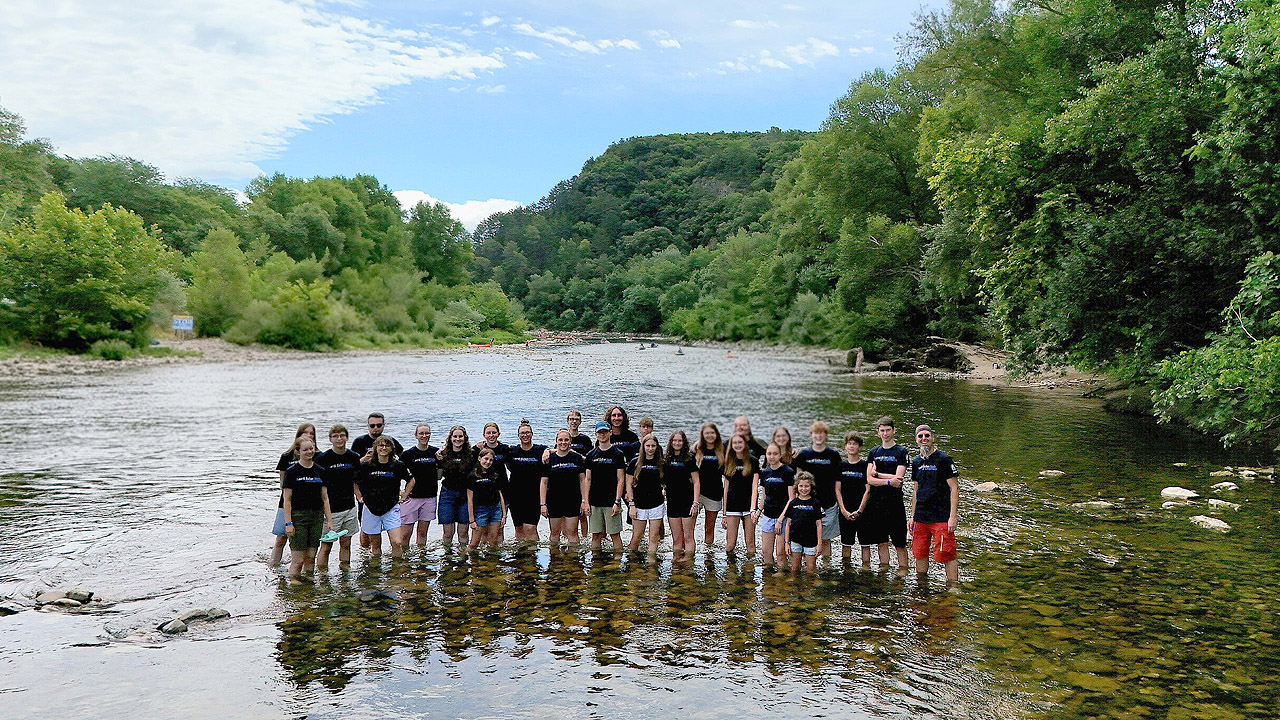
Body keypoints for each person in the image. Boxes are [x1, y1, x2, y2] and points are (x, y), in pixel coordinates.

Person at [907, 424, 960, 582]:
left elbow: (954, 488)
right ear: (916, 440)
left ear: (932, 438)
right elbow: (915, 490)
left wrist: (952, 517)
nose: (924, 439)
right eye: (920, 436)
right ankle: (921, 585)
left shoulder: (943, 459)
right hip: (921, 517)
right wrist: (912, 516)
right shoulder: (916, 462)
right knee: (920, 553)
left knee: (947, 553)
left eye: (927, 436)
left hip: (941, 517)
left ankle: (952, 587)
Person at [281, 437, 333, 578]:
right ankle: (294, 586)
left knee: (311, 556)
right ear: (298, 452)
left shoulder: (320, 470)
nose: (309, 452)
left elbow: (325, 497)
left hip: (316, 517)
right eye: (305, 449)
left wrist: (329, 520)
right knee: (298, 560)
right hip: (298, 517)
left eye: (311, 448)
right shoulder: (292, 472)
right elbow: (287, 499)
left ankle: (309, 583)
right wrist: (288, 523)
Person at [351, 413, 403, 549]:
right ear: (368, 426)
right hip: (366, 493)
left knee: (392, 530)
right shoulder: (359, 442)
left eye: (379, 425)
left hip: (388, 492)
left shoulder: (389, 441)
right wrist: (365, 459)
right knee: (366, 532)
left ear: (383, 426)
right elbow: (352, 467)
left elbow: (403, 459)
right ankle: (364, 554)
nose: (376, 428)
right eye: (372, 426)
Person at [866, 416, 910, 574]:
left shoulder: (901, 452)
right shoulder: (874, 452)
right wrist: (889, 480)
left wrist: (877, 473)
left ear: (894, 431)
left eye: (888, 430)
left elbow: (900, 478)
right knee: (881, 541)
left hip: (895, 503)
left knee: (899, 542)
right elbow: (869, 479)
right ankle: (884, 569)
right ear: (878, 432)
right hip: (877, 502)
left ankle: (903, 571)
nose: (885, 433)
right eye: (882, 430)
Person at [355, 435, 411, 558]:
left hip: (391, 507)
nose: (384, 448)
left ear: (391, 448)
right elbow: (353, 480)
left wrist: (405, 495)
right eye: (381, 445)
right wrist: (359, 496)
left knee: (397, 542)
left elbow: (411, 480)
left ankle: (396, 571)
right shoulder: (366, 466)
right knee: (375, 545)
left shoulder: (397, 465)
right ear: (376, 448)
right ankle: (376, 571)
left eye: (387, 445)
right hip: (370, 508)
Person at [793, 421, 843, 559]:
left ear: (825, 435)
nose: (818, 436)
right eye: (816, 433)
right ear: (811, 435)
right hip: (808, 502)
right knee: (806, 536)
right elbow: (797, 480)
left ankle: (826, 566)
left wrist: (840, 503)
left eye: (821, 433)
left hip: (829, 502)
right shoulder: (804, 455)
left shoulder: (833, 455)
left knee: (826, 539)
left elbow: (838, 481)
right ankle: (807, 565)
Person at [271, 423, 316, 566]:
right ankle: (274, 565)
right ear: (298, 435)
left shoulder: (317, 456)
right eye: (305, 433)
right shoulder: (286, 456)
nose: (309, 436)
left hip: (308, 506)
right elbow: (282, 483)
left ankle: (300, 568)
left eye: (311, 433)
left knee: (306, 542)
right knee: (280, 538)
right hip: (287, 502)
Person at [316, 425, 360, 568]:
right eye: (335, 436)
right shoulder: (323, 458)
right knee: (327, 545)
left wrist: (359, 497)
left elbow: (357, 480)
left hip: (350, 507)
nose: (339, 439)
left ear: (347, 437)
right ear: (330, 439)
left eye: (342, 435)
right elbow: (318, 486)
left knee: (346, 543)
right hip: (331, 510)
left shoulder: (353, 457)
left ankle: (345, 572)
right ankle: (322, 576)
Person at [542, 428, 587, 546]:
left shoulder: (576, 457)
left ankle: (573, 560)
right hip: (554, 500)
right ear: (556, 441)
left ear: (570, 441)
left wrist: (584, 500)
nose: (563, 442)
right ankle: (555, 560)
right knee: (554, 533)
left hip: (573, 499)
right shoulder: (549, 459)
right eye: (560, 440)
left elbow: (583, 480)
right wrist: (543, 504)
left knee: (572, 533)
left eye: (566, 440)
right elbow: (544, 482)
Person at [585, 421, 626, 550]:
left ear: (610, 432)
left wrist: (617, 501)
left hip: (611, 501)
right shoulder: (591, 455)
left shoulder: (618, 454)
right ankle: (595, 563)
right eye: (599, 432)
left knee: (615, 534)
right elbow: (587, 479)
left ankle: (617, 562)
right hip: (595, 501)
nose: (602, 435)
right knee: (596, 535)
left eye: (604, 432)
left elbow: (621, 479)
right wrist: (586, 502)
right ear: (596, 435)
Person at [399, 423, 440, 548]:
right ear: (416, 435)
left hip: (429, 497)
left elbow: (440, 474)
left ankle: (421, 558)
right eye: (421, 433)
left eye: (427, 433)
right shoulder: (407, 454)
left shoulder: (436, 452)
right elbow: (396, 473)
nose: (424, 436)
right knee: (405, 533)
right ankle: (403, 557)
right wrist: (399, 491)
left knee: (422, 533)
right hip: (411, 497)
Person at [506, 420, 548, 541]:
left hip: (534, 495)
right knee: (519, 528)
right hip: (515, 495)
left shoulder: (540, 450)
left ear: (532, 434)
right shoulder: (512, 451)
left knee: (530, 527)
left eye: (527, 432)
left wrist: (548, 450)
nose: (525, 435)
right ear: (518, 435)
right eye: (522, 433)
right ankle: (521, 556)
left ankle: (532, 554)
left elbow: (557, 451)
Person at [835, 431, 873, 566]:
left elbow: (868, 489)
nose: (852, 446)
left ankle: (865, 571)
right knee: (846, 544)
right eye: (849, 444)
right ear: (845, 447)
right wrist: (844, 510)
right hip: (845, 511)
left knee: (865, 545)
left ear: (860, 447)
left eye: (855, 444)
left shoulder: (865, 466)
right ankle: (847, 571)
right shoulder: (841, 466)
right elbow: (837, 490)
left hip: (863, 512)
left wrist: (860, 511)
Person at [721, 433, 760, 555]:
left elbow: (755, 488)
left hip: (749, 506)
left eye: (740, 442)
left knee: (750, 543)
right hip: (733, 506)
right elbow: (725, 489)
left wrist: (753, 509)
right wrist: (724, 513)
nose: (737, 445)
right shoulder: (728, 461)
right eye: (735, 443)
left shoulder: (753, 461)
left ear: (745, 444)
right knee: (730, 544)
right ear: (731, 445)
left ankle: (749, 571)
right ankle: (730, 572)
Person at [758, 442, 796, 567]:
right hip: (768, 515)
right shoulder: (764, 473)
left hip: (783, 518)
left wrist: (781, 519)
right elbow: (764, 495)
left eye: (775, 454)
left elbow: (792, 498)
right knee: (766, 552)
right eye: (769, 454)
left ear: (780, 455)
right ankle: (768, 581)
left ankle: (782, 579)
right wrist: (758, 511)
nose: (772, 456)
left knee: (780, 553)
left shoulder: (787, 471)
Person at [626, 434, 666, 554]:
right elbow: (628, 485)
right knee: (636, 537)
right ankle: (632, 563)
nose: (650, 448)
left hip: (656, 504)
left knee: (653, 537)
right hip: (638, 505)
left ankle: (651, 565)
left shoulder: (661, 463)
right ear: (643, 446)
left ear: (657, 447)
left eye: (653, 446)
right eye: (647, 446)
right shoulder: (635, 462)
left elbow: (667, 481)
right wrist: (631, 505)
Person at [663, 429, 700, 555]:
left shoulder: (689, 459)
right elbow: (663, 478)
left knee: (688, 537)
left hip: (687, 501)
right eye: (675, 440)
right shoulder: (666, 459)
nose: (677, 443)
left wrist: (695, 503)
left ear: (684, 442)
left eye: (680, 441)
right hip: (673, 502)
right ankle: (677, 565)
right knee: (676, 539)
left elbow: (696, 482)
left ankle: (689, 564)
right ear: (671, 442)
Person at [437, 426, 474, 547]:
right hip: (448, 494)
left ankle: (463, 559)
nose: (458, 439)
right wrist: (437, 462)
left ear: (465, 438)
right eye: (455, 436)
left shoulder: (471, 454)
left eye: (460, 436)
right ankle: (447, 558)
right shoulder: (443, 454)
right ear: (450, 438)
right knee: (448, 533)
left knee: (463, 532)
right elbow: (438, 476)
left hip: (465, 495)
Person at [782, 471, 823, 573]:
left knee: (811, 569)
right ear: (797, 487)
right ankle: (795, 587)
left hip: (811, 542)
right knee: (795, 569)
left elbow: (819, 525)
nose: (804, 489)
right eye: (801, 486)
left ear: (811, 487)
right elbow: (787, 524)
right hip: (795, 541)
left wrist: (819, 544)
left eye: (806, 486)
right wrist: (787, 543)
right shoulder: (793, 503)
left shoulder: (815, 503)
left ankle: (809, 588)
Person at [467, 447, 506, 550]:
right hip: (480, 510)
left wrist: (504, 514)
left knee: (493, 540)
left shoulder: (495, 474)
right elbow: (470, 500)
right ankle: (465, 561)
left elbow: (500, 495)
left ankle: (490, 564)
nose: (488, 462)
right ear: (480, 458)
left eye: (491, 460)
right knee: (474, 542)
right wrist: (471, 520)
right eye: (486, 459)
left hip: (495, 509)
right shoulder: (472, 476)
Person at [694, 422, 726, 546]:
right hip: (697, 493)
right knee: (689, 525)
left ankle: (708, 554)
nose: (709, 435)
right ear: (702, 435)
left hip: (714, 493)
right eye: (707, 433)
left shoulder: (722, 450)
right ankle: (690, 550)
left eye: (712, 433)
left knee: (709, 527)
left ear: (716, 434)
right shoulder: (697, 449)